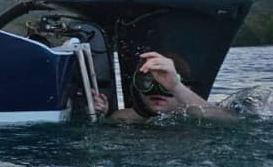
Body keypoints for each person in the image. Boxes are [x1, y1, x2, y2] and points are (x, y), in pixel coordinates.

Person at [91, 51, 236, 121]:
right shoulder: (125, 118)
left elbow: (230, 121)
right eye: (147, 82)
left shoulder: (196, 119)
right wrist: (99, 115)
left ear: (186, 88)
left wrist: (175, 86)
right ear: (138, 87)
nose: (156, 90)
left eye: (165, 85)